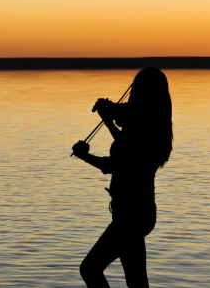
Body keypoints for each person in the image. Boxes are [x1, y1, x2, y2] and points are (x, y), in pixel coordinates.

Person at [72, 67, 173, 288]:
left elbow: (114, 165)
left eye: (136, 91)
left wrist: (84, 156)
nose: (131, 98)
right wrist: (108, 120)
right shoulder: (152, 125)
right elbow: (125, 147)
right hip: (137, 213)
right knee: (137, 282)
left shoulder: (145, 126)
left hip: (131, 216)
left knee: (90, 268)